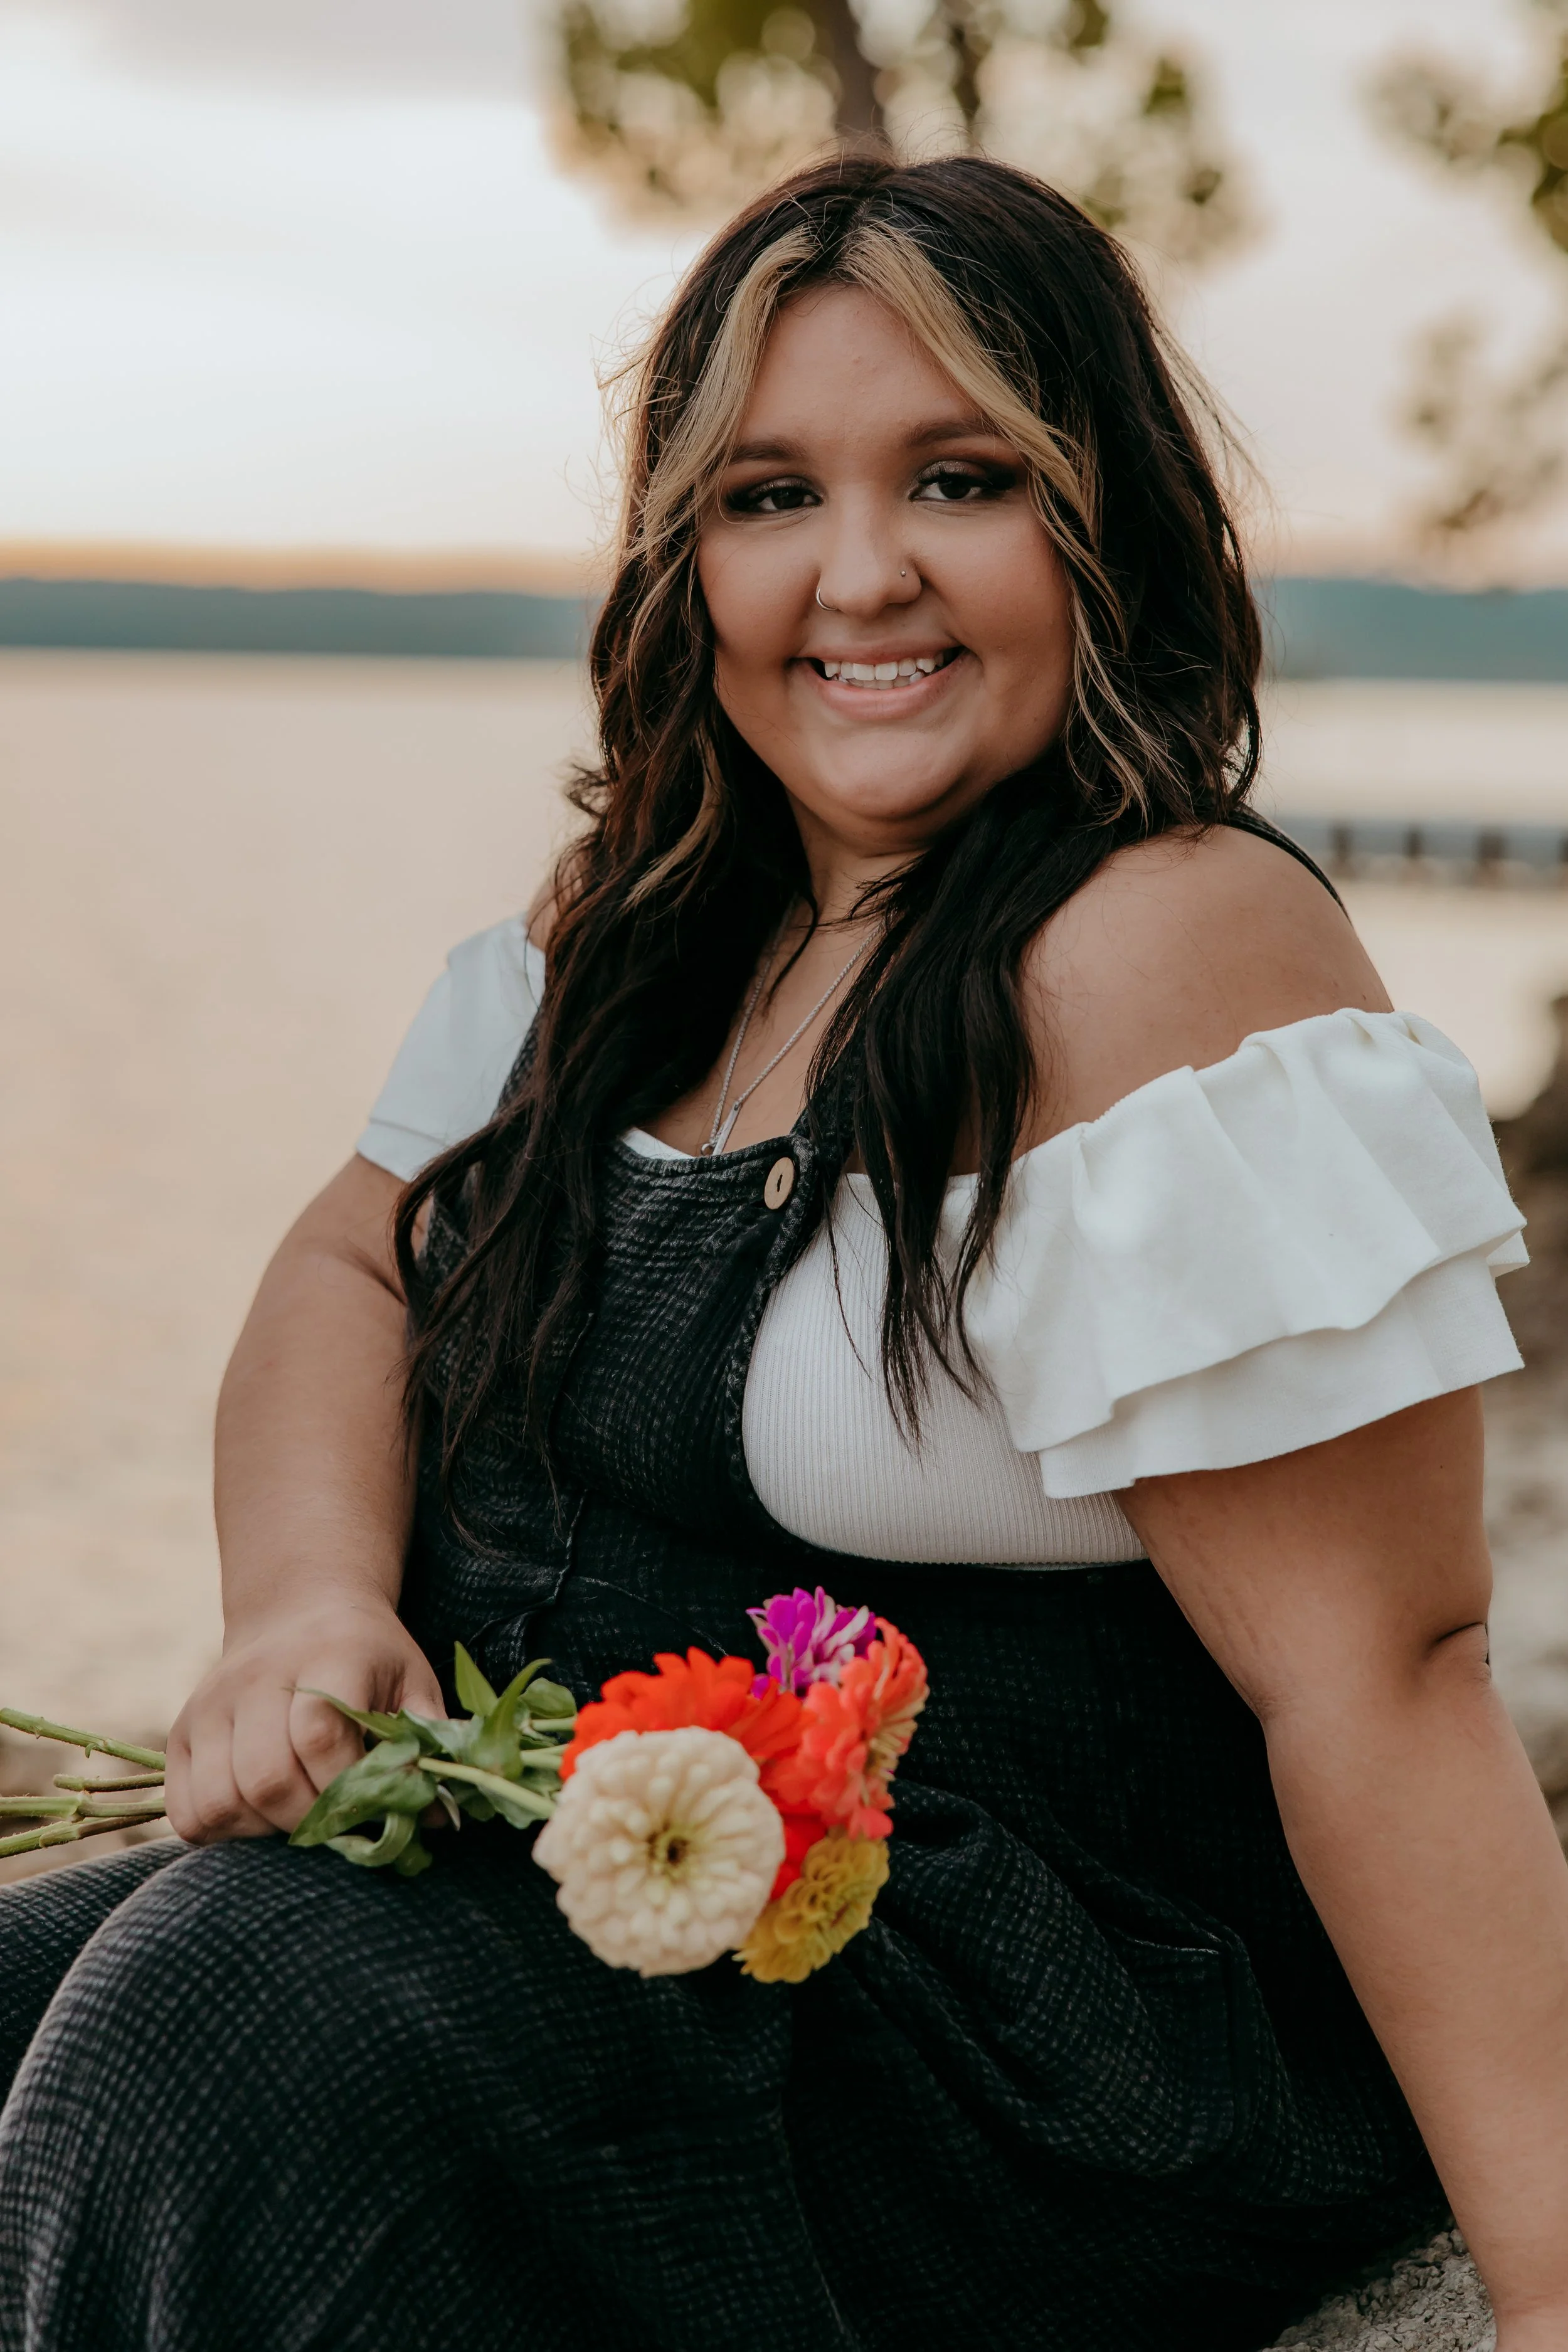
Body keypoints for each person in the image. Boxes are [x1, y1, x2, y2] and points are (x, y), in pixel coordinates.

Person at [0, 152, 1562, 2352]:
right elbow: (351, 1271)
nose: (857, 576)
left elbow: (1381, 1670)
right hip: (615, 1918)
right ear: (681, 557)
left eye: (957, 476)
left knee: (237, 2022)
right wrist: (309, 1604)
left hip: (1049, 2047)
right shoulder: (632, 930)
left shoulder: (1166, 949)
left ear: (1098, 517)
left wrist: (1551, 2285)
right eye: (762, 495)